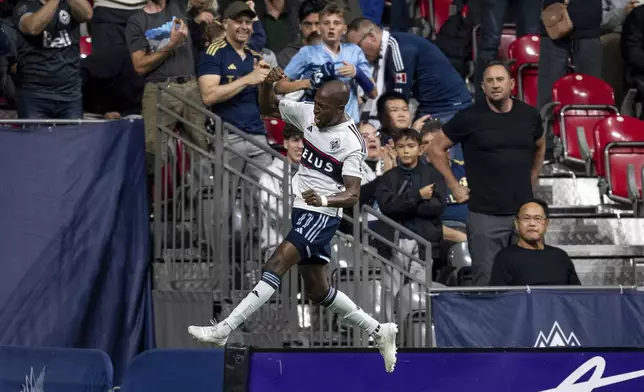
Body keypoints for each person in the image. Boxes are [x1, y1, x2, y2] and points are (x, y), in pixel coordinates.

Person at [188, 80, 399, 373]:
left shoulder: (351, 142)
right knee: (319, 291)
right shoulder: (309, 112)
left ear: (340, 109)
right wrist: (266, 84)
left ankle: (224, 328)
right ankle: (379, 329)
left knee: (274, 263)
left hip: (322, 214)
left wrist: (324, 198)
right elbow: (266, 107)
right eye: (316, 105)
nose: (316, 112)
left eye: (324, 108)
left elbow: (353, 194)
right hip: (303, 211)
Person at [428, 61, 546, 286]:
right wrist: (454, 185)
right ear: (482, 87)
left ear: (512, 84)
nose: (495, 85)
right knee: (488, 282)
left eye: (500, 79)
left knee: (530, 280)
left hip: (523, 214)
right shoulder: (470, 117)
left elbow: (540, 145)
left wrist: (534, 176)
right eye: (489, 81)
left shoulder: (529, 115)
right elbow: (435, 148)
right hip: (485, 216)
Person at [126, 0, 208, 171]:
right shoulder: (137, 20)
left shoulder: (177, 5)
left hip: (191, 85)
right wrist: (171, 45)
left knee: (202, 149)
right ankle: (152, 197)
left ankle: (201, 195)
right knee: (153, 152)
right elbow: (139, 66)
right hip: (159, 88)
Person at [346, 18, 471, 126]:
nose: (357, 54)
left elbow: (398, 100)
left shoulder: (398, 48)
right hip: (432, 107)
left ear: (372, 37)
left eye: (358, 47)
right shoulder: (391, 46)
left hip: (448, 108)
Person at [198, 1, 272, 181]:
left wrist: (267, 84)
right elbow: (208, 96)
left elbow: (265, 107)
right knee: (225, 201)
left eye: (248, 22)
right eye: (238, 21)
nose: (244, 27)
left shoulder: (256, 57)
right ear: (225, 24)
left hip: (258, 136)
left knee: (268, 201)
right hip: (229, 137)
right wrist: (248, 79)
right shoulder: (213, 52)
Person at [274, 2, 376, 123]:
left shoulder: (354, 51)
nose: (331, 27)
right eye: (326, 23)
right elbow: (279, 87)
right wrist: (308, 83)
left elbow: (373, 93)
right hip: (318, 126)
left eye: (336, 23)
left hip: (349, 124)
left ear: (344, 29)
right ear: (320, 28)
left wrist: (357, 73)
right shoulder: (307, 52)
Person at [375, 127, 446, 288]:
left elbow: (437, 207)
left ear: (420, 149)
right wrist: (418, 197)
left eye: (410, 146)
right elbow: (387, 207)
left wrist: (403, 205)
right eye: (401, 147)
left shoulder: (433, 174)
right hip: (394, 241)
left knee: (419, 293)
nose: (406, 151)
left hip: (424, 240)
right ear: (395, 149)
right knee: (390, 293)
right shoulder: (389, 177)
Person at [13, 0, 93, 119]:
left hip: (70, 94)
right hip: (35, 95)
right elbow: (32, 27)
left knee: (72, 137)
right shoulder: (25, 5)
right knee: (35, 137)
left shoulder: (70, 4)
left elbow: (87, 14)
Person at [490, 199, 581, 286]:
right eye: (526, 218)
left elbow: (577, 295)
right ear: (517, 224)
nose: (532, 223)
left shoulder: (561, 256)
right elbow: (498, 298)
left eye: (538, 218)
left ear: (546, 224)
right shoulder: (504, 257)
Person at [537, 0, 603, 109]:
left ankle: (592, 124)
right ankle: (544, 125)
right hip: (554, 23)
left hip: (589, 24)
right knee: (547, 97)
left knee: (592, 94)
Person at [259, 124, 303, 250]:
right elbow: (274, 212)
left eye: (304, 142)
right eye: (295, 140)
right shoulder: (270, 175)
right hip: (278, 245)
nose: (300, 146)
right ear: (285, 143)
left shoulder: (313, 175)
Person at [277, 0, 322, 68]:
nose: (313, 29)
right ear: (300, 26)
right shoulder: (286, 56)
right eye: (308, 24)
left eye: (318, 24)